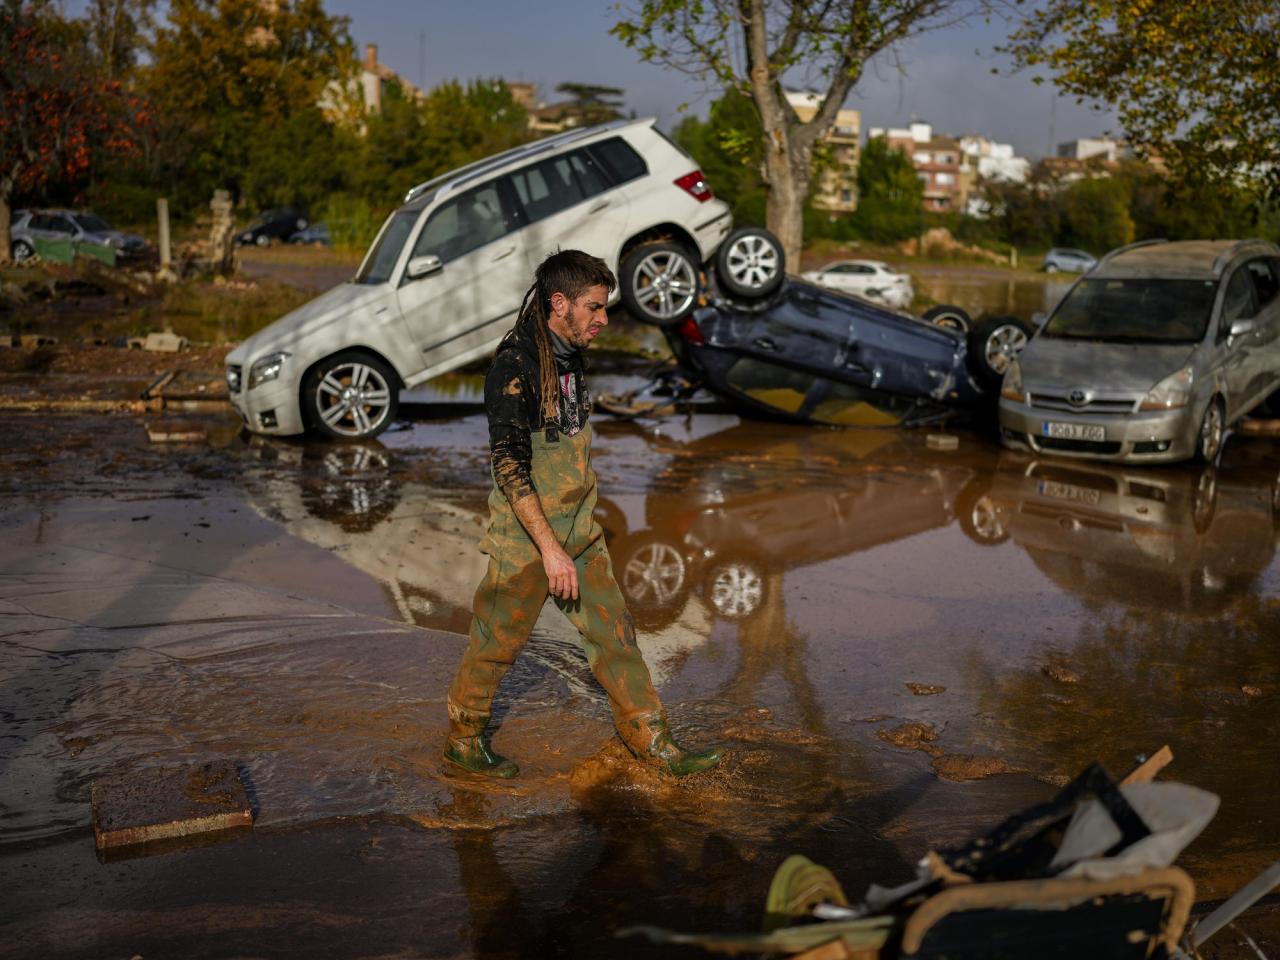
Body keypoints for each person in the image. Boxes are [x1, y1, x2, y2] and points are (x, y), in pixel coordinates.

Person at [443, 249, 722, 779]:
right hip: (527, 538)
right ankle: (464, 737)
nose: (604, 319)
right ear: (559, 303)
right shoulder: (514, 367)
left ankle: (651, 739)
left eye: (605, 307)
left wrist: (578, 536)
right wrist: (550, 551)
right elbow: (509, 467)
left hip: (580, 531)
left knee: (614, 634)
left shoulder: (569, 354)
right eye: (595, 307)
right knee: (496, 643)